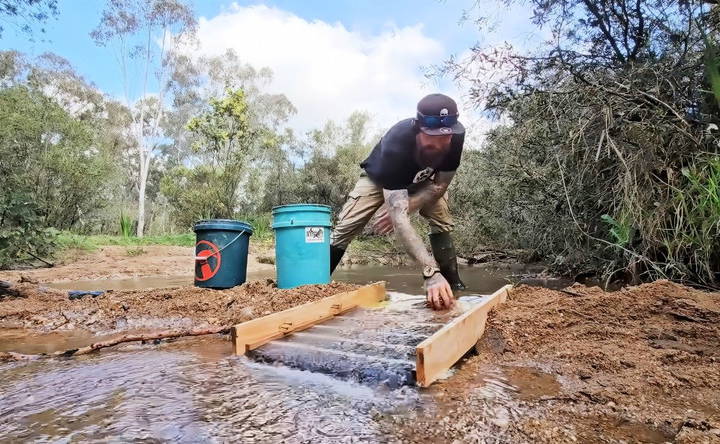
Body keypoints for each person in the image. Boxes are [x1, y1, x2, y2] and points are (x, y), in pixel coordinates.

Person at [330, 93, 466, 310]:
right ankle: (314, 284)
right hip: (380, 179)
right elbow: (399, 218)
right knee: (346, 226)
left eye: (446, 136)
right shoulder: (397, 142)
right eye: (433, 136)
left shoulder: (456, 138)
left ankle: (453, 286)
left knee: (442, 218)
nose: (441, 143)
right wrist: (429, 271)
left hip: (425, 180)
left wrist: (411, 204)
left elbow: (440, 186)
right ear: (418, 129)